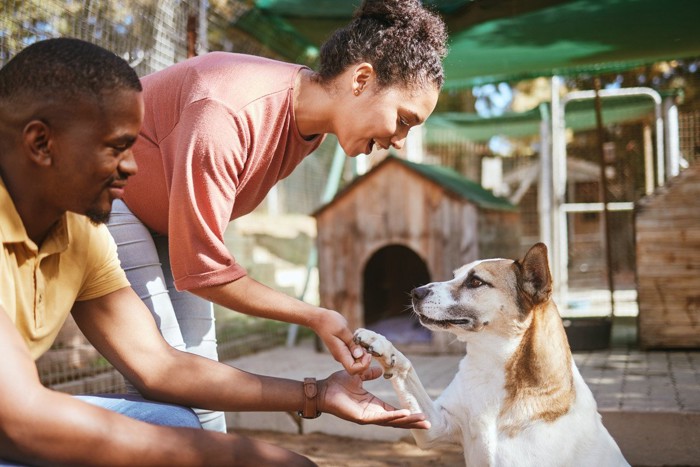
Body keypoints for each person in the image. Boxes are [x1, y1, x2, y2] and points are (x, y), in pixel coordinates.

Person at [0, 37, 430, 466]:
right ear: (41, 143)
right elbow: (22, 423)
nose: (132, 166)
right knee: (176, 434)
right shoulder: (225, 109)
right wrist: (241, 457)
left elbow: (160, 367)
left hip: (158, 227)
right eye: (117, 148)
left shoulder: (80, 235)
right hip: (15, 425)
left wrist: (316, 394)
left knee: (177, 418)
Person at [109, 0, 449, 431]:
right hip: (110, 199)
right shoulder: (226, 111)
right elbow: (202, 270)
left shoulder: (310, 126)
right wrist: (314, 315)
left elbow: (198, 263)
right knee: (168, 384)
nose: (400, 140)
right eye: (403, 120)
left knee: (201, 384)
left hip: (163, 224)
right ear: (361, 79)